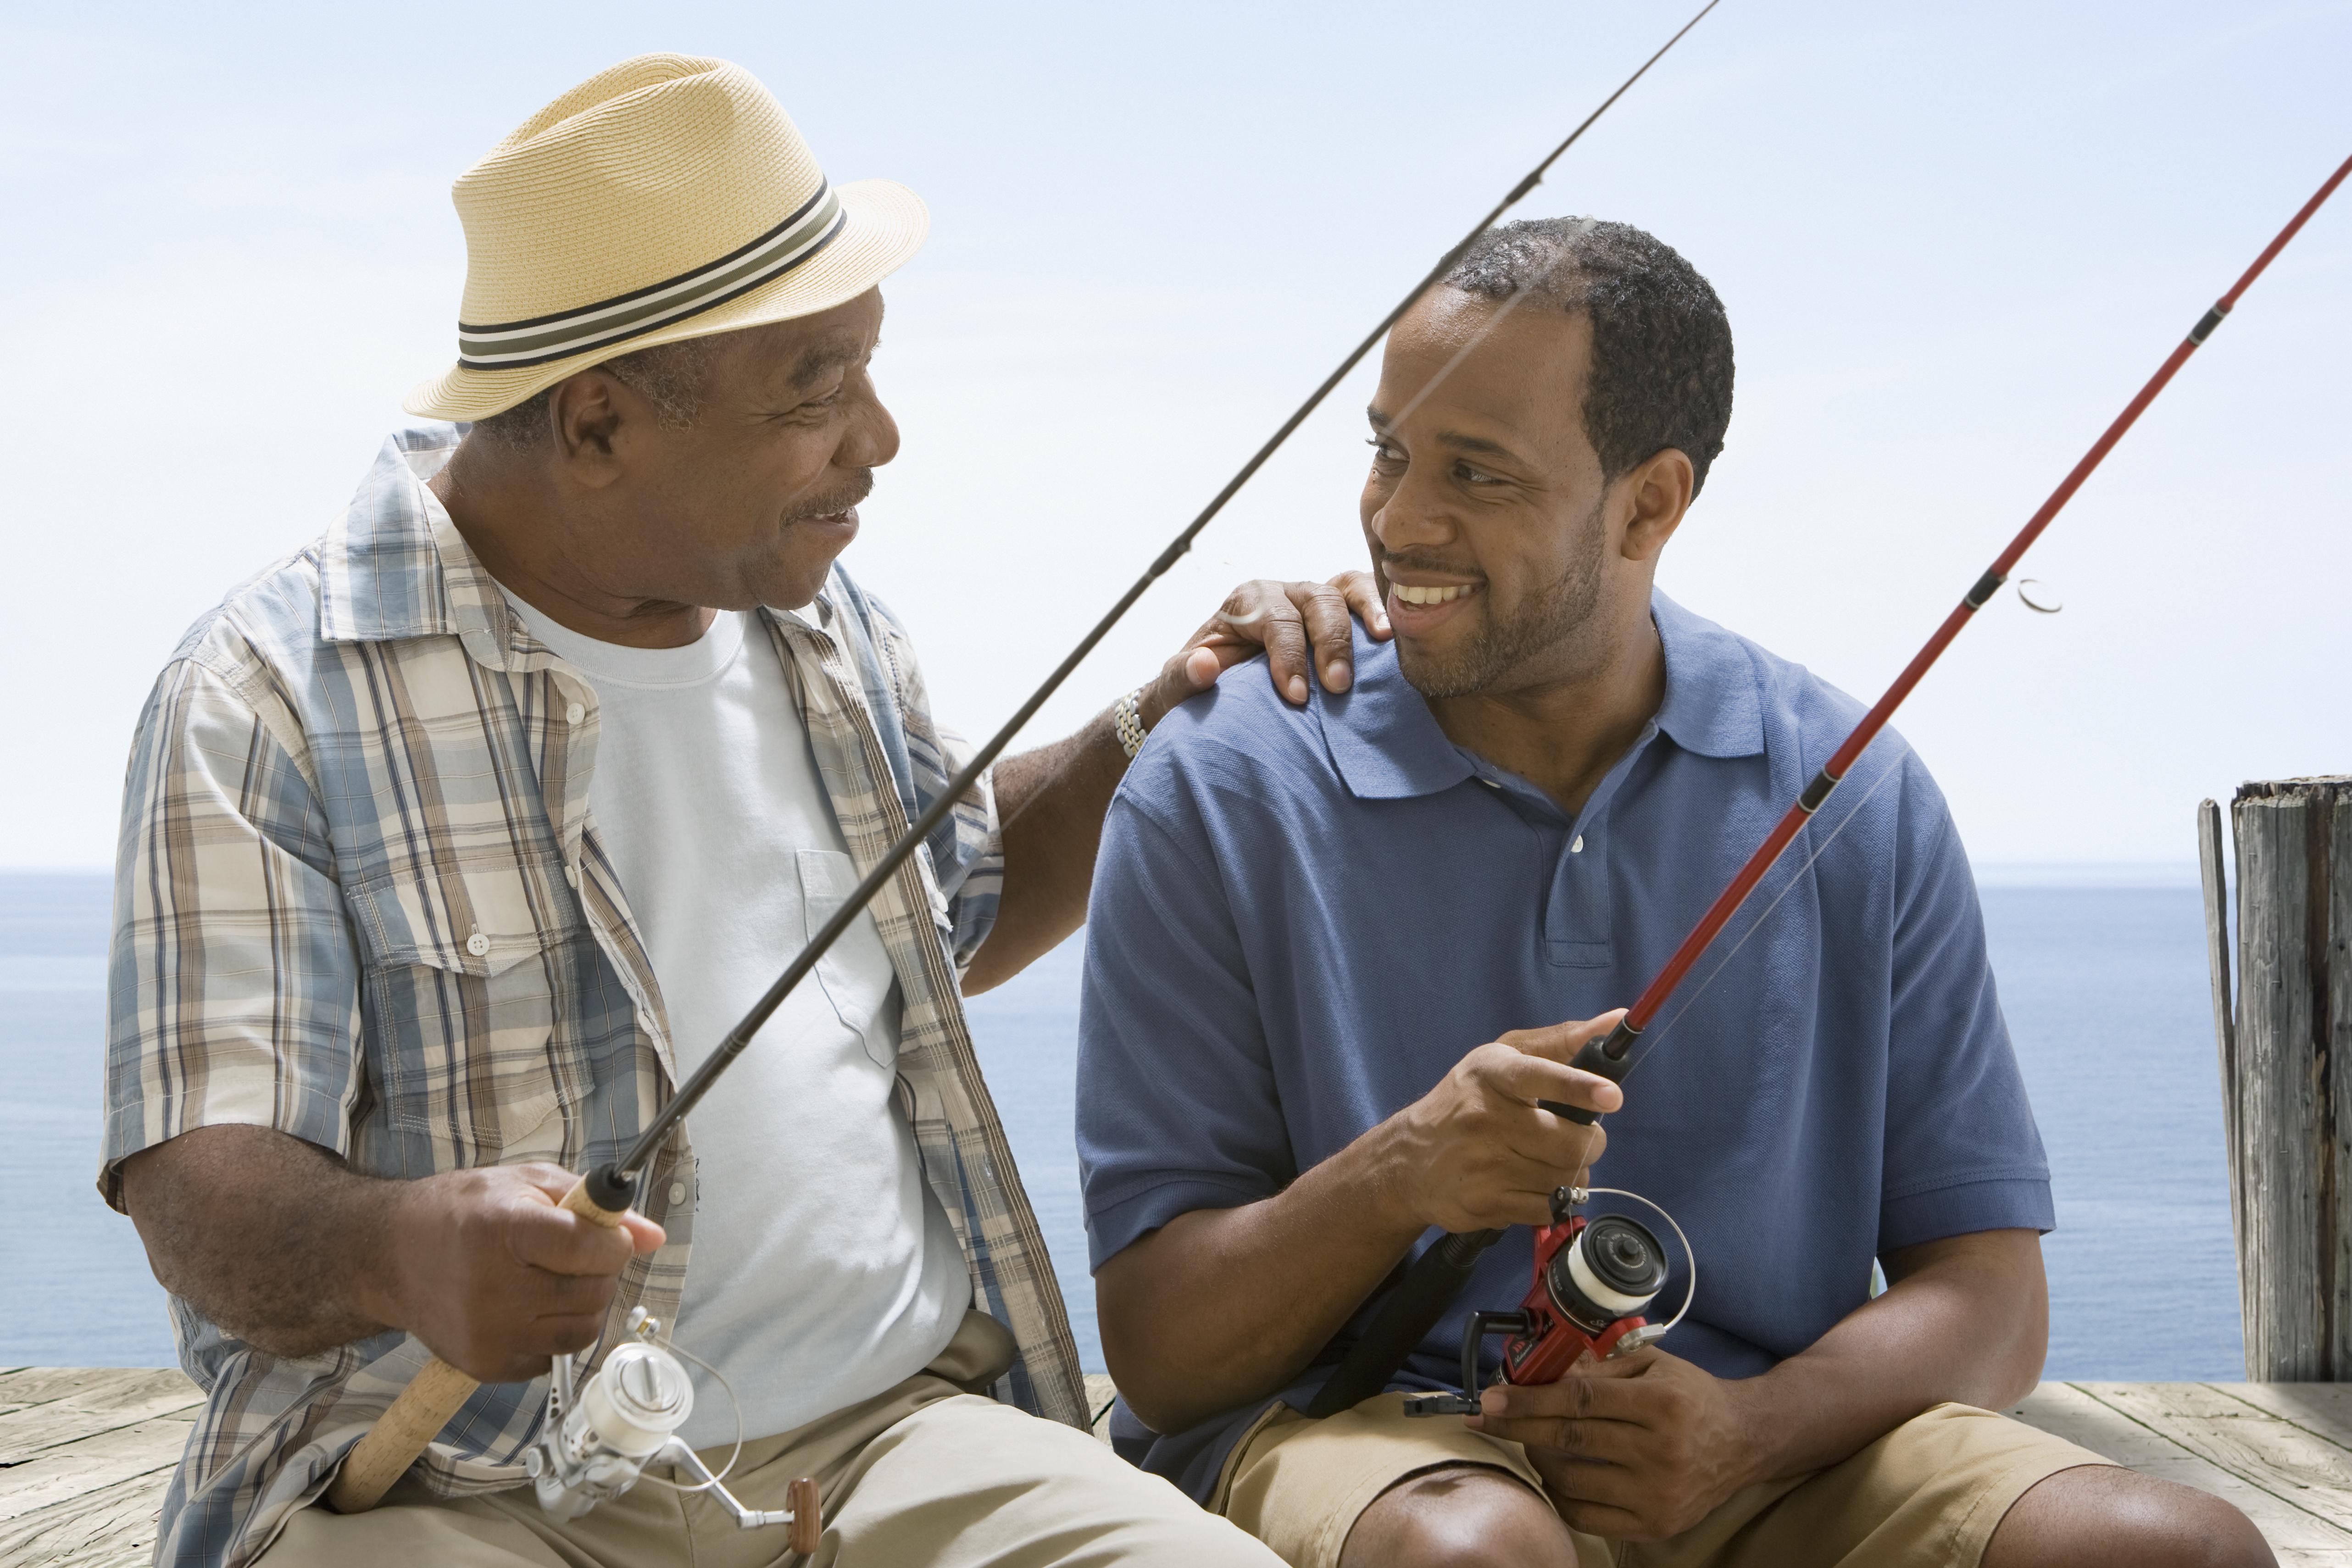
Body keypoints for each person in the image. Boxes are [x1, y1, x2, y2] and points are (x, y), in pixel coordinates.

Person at [101, 54, 1375, 1568]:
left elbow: (959, 905)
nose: (879, 437)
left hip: (895, 1435)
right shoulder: (259, 691)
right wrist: (400, 1248)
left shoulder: (822, 620)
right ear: (595, 424)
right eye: (815, 391)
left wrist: (1154, 717)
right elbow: (201, 1198)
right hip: (468, 1493)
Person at [1076, 217, 2272, 1568]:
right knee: (1481, 1556)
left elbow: (1991, 1293)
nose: (1401, 519)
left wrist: (1753, 1431)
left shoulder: (1857, 786)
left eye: (1477, 472)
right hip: (1372, 1451)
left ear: (1652, 501)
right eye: (1389, 451)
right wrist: (1405, 1168)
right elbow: (1164, 1358)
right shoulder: (1215, 783)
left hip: (1767, 1443)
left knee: (2172, 1544)